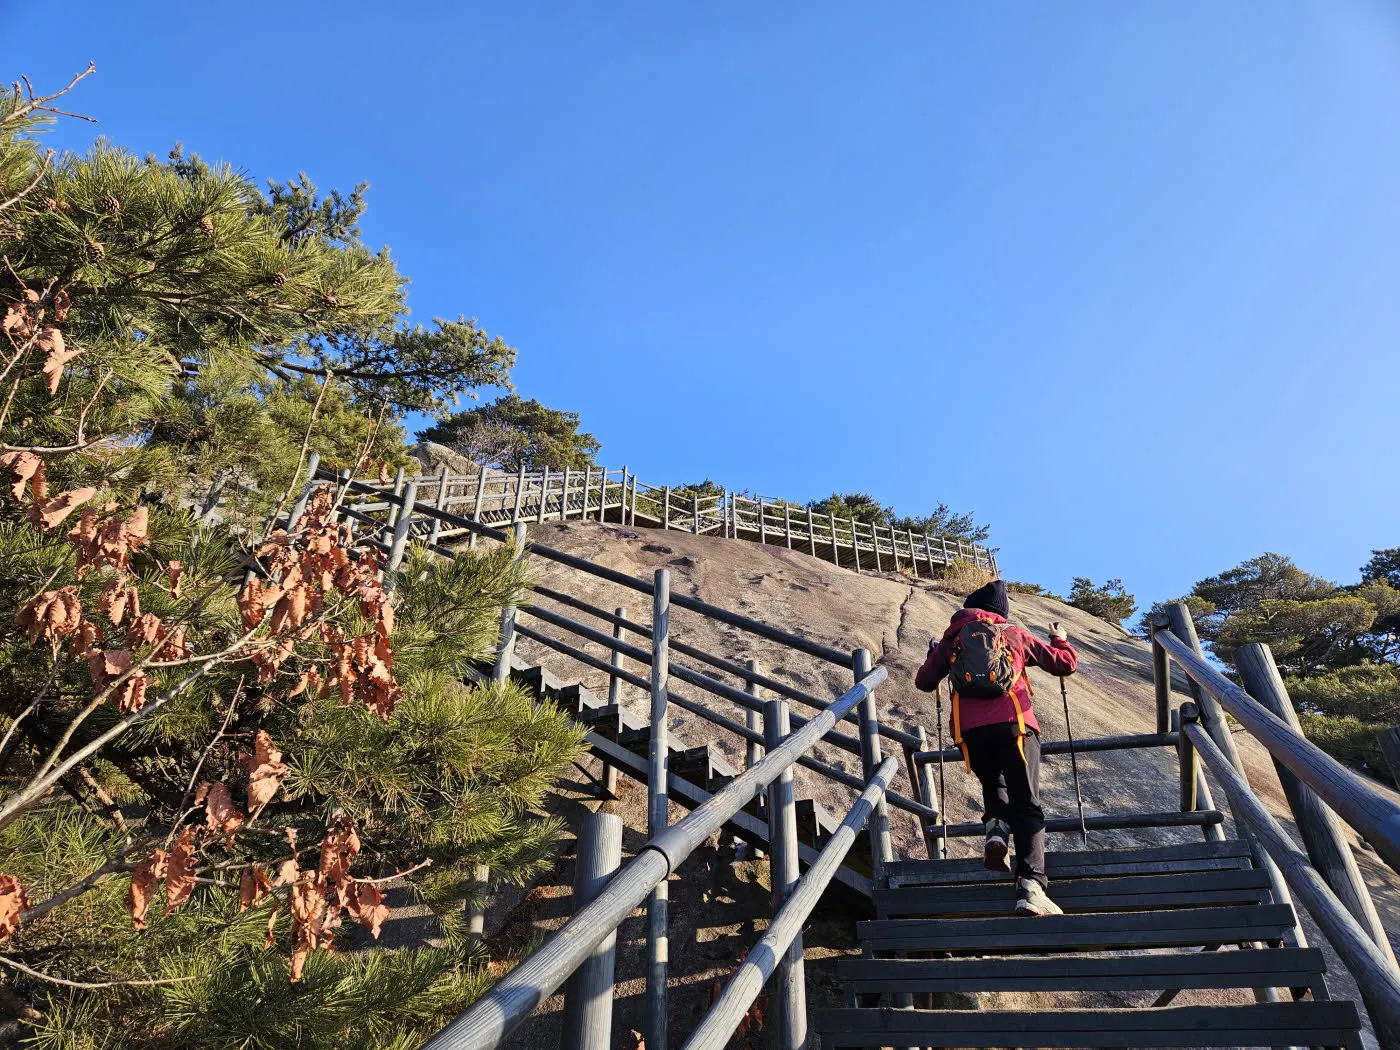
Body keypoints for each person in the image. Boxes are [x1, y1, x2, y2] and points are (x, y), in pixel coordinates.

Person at [915, 579, 1078, 917]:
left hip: (971, 732)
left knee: (994, 783)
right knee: (1028, 804)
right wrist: (1059, 638)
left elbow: (924, 681)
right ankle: (1032, 886)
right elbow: (1064, 664)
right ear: (1000, 613)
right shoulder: (1013, 634)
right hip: (1015, 725)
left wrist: (936, 654)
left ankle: (996, 832)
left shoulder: (953, 637)